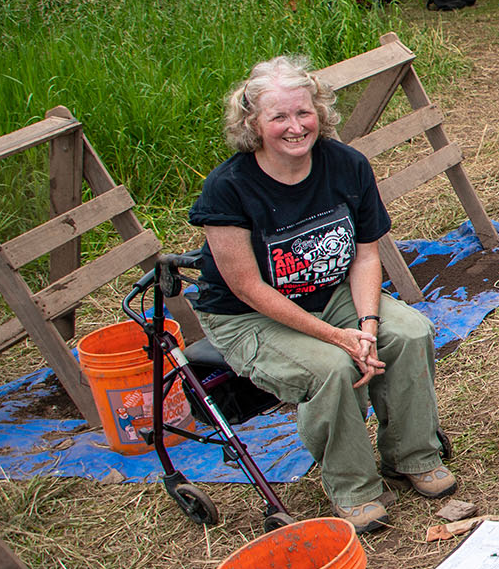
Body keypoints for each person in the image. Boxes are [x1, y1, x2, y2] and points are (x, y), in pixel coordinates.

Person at [188, 55, 454, 533]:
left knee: (410, 332)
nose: (295, 127)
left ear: (320, 112)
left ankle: (413, 455)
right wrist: (337, 337)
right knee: (332, 366)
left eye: (303, 112)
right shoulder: (226, 190)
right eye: (279, 117)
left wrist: (367, 327)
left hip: (330, 292)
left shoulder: (346, 165)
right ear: (253, 124)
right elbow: (246, 287)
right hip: (250, 315)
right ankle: (354, 487)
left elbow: (366, 255)